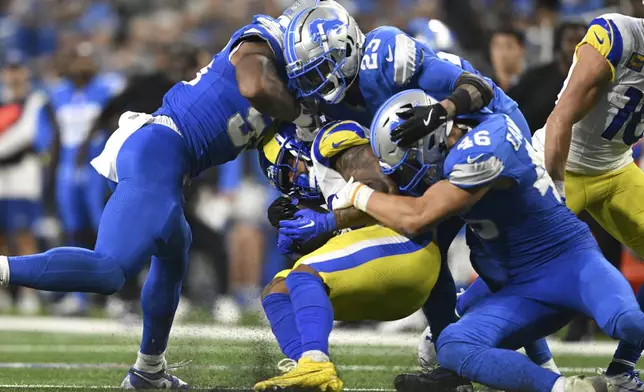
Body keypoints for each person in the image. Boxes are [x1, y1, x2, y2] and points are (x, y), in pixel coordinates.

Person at [0, 0, 329, 388]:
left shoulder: (286, 90)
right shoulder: (262, 42)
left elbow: (268, 144)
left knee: (175, 252)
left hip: (165, 163)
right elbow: (254, 85)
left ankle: (148, 370)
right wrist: (303, 115)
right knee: (109, 271)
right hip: (159, 149)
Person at [334, 88, 644, 391]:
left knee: (628, 322)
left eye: (408, 162)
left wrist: (358, 194)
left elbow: (417, 216)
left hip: (570, 265)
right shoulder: (451, 148)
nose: (407, 176)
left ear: (428, 140)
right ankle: (568, 388)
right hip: (518, 288)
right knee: (453, 345)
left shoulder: (487, 139)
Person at [253, 120, 471, 392]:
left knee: (303, 275)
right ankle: (306, 373)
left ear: (299, 147)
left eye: (288, 167)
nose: (291, 180)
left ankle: (315, 366)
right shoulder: (319, 186)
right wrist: (303, 235)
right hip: (388, 277)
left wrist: (326, 221)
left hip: (408, 250)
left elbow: (381, 192)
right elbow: (347, 236)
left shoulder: (329, 144)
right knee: (277, 290)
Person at [538, 13, 644, 390]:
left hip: (617, 166)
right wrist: (555, 187)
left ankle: (621, 369)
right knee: (523, 265)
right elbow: (561, 117)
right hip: (563, 163)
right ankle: (446, 332)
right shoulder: (618, 36)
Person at [489, 28, 526, 92]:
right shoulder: (483, 88)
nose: (503, 53)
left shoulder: (533, 86)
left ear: (522, 49)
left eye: (509, 46)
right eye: (498, 46)